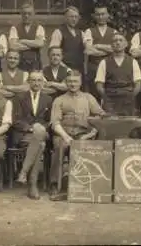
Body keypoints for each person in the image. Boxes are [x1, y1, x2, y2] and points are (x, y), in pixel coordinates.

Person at [49, 70, 106, 200]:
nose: (72, 84)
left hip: (84, 134)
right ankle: (54, 184)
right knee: (59, 148)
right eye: (69, 81)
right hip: (64, 134)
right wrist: (66, 137)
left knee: (92, 148)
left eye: (75, 81)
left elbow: (100, 116)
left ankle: (89, 184)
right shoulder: (59, 100)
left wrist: (92, 132)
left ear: (80, 83)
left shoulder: (88, 98)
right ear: (66, 83)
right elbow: (55, 122)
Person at [11, 71, 53, 200]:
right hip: (24, 134)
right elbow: (16, 119)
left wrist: (41, 128)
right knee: (40, 144)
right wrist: (30, 128)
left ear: (43, 83)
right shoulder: (19, 97)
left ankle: (23, 172)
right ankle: (32, 185)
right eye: (33, 80)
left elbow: (49, 121)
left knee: (39, 134)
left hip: (42, 132)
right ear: (28, 82)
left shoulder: (48, 99)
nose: (36, 83)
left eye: (39, 80)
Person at [95, 33, 141, 116]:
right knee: (111, 125)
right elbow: (99, 86)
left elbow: (138, 86)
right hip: (110, 100)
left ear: (126, 44)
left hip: (128, 100)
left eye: (121, 40)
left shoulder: (133, 62)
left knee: (127, 125)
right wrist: (107, 99)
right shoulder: (104, 62)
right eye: (115, 41)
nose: (118, 43)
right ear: (111, 45)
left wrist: (129, 97)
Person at [83, 6, 118, 100]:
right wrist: (108, 50)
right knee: (94, 95)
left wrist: (98, 46)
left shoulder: (114, 32)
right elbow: (89, 50)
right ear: (94, 16)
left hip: (110, 67)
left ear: (107, 15)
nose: (101, 17)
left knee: (110, 95)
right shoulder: (89, 31)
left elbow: (116, 48)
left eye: (103, 14)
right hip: (94, 68)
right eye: (98, 14)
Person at [48, 6, 85, 75]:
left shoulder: (81, 33)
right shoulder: (58, 32)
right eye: (71, 17)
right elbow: (52, 54)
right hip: (64, 70)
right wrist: (67, 69)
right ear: (65, 18)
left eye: (76, 17)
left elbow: (88, 49)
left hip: (79, 70)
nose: (74, 19)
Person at [8, 3, 46, 71]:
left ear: (33, 14)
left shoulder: (39, 28)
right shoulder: (15, 28)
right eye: (24, 13)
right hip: (19, 64)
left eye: (29, 14)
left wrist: (23, 41)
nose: (26, 16)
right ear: (21, 15)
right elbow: (12, 46)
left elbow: (40, 44)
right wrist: (33, 44)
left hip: (35, 64)